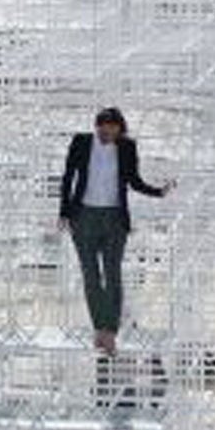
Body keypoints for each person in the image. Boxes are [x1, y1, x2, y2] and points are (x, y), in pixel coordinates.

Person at [58, 107, 172, 355]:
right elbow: (68, 178)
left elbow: (133, 180)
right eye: (101, 128)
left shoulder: (127, 147)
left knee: (112, 274)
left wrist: (158, 192)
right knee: (90, 274)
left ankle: (110, 331)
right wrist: (64, 213)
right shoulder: (81, 142)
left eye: (111, 129)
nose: (105, 133)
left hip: (114, 218)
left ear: (119, 130)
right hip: (84, 216)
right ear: (96, 127)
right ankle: (99, 327)